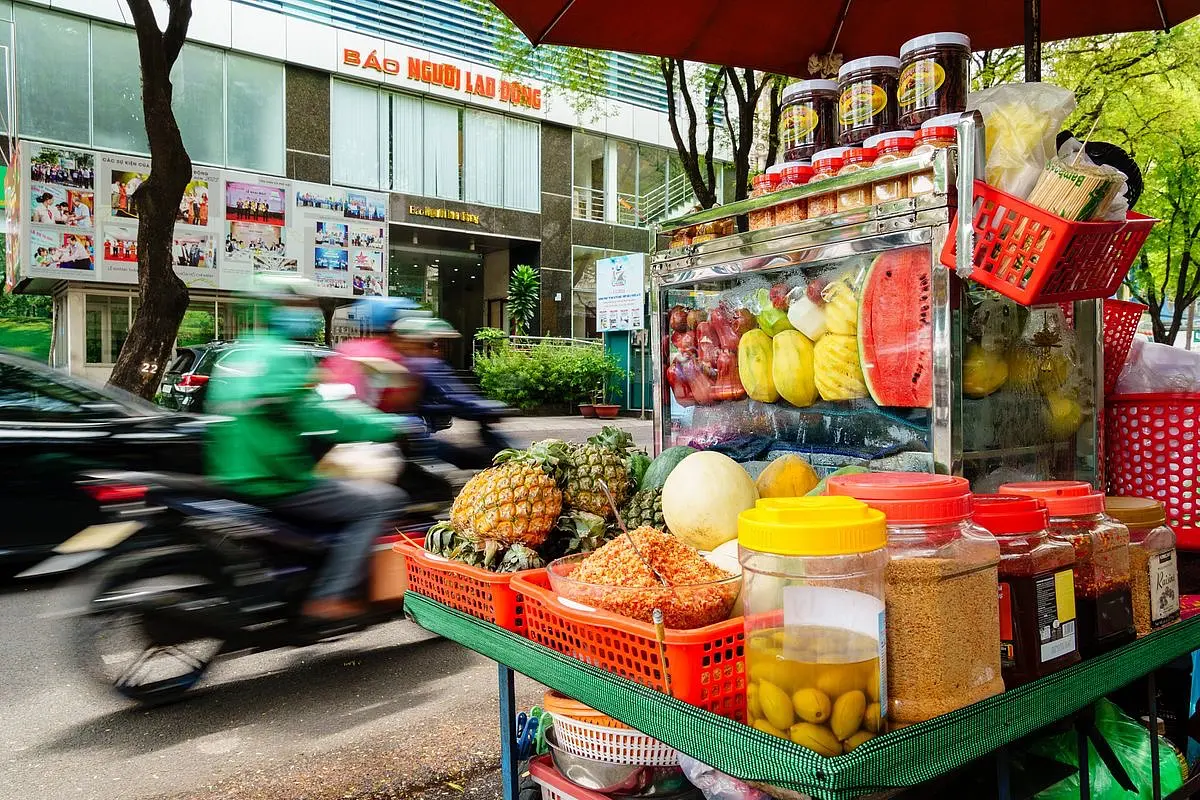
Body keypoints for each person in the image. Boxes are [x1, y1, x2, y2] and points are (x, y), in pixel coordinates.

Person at [204, 290, 405, 620]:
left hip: (233, 471)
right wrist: (386, 425)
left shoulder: (241, 352)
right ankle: (331, 594)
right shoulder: (282, 357)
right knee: (381, 501)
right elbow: (318, 414)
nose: (306, 311)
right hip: (277, 479)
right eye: (297, 304)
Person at [390, 312, 509, 468]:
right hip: (417, 438)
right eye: (433, 344)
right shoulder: (425, 364)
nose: (438, 349)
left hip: (413, 434)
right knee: (474, 458)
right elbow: (454, 397)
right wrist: (485, 408)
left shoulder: (406, 363)